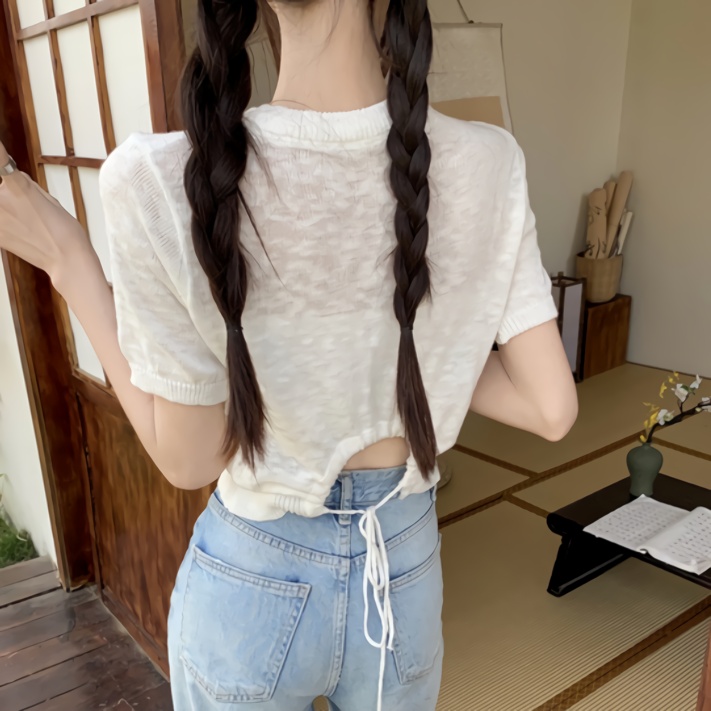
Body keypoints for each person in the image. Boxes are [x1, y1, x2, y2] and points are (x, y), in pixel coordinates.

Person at [0, 0, 578, 707]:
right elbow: (550, 407)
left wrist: (68, 259)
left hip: (252, 580)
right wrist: (420, 340)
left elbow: (188, 459)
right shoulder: (490, 161)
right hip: (401, 574)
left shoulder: (156, 177)